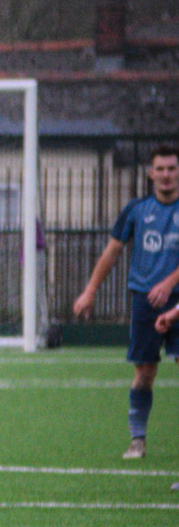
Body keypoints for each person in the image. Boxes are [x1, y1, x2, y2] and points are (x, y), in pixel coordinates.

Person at [71, 143, 179, 460]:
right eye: (160, 169)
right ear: (150, 173)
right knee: (144, 372)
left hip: (177, 300)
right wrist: (90, 289)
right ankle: (137, 440)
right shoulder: (136, 210)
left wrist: (170, 281)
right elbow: (112, 251)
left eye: (172, 168)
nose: (166, 175)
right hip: (145, 302)